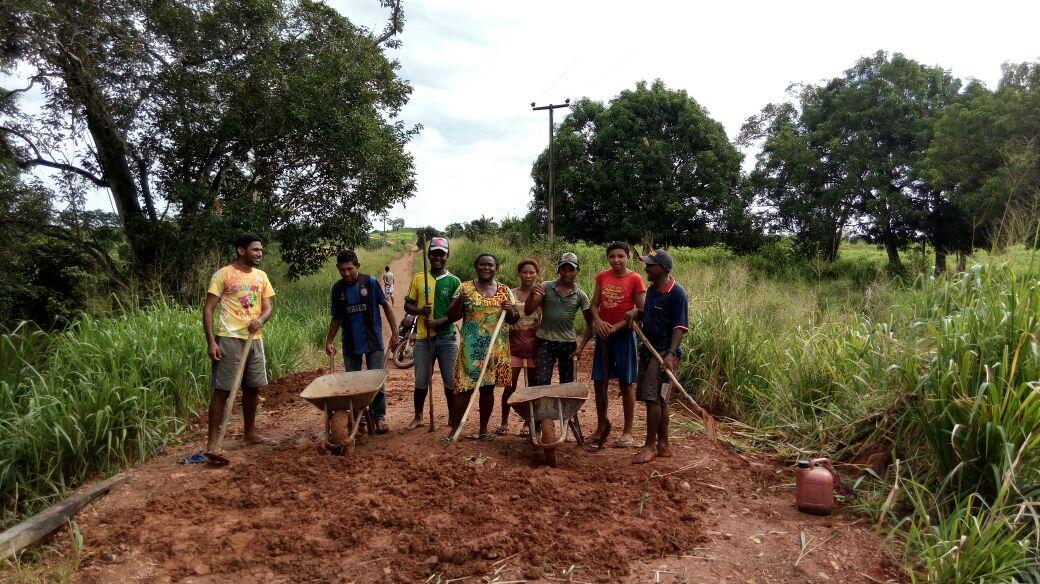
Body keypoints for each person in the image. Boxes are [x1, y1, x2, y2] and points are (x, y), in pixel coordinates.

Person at [203, 233, 276, 454]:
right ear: (241, 250)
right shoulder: (223, 275)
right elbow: (208, 309)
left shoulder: (261, 276)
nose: (259, 254)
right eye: (255, 250)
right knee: (222, 390)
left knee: (253, 387)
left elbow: (268, 307)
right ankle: (213, 442)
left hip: (254, 339)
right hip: (229, 338)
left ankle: (250, 432)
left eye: (261, 250)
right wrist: (211, 343)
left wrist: (261, 319)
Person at [444, 253, 519, 442]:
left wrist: (510, 310)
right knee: (463, 390)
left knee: (488, 390)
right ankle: (453, 432)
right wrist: (459, 302)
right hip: (471, 348)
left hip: (495, 348)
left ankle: (483, 430)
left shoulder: (504, 290)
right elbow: (451, 316)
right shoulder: (465, 288)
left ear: (496, 268)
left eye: (490, 265)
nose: (487, 268)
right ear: (476, 267)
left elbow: (514, 319)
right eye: (483, 265)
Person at [324, 249, 399, 434]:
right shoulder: (337, 289)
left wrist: (395, 332)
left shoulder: (370, 282)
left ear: (357, 266)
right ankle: (360, 419)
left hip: (373, 341)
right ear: (338, 269)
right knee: (353, 384)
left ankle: (379, 417)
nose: (346, 273)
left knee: (376, 382)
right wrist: (330, 340)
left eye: (350, 269)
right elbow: (336, 317)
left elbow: (386, 306)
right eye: (342, 270)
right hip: (350, 344)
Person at [625, 249, 688, 464]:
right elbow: (648, 314)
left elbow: (679, 328)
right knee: (660, 399)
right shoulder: (652, 290)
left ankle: (650, 446)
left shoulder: (677, 293)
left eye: (650, 265)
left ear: (662, 268)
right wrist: (636, 313)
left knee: (654, 398)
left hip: (664, 353)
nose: (646, 269)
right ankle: (663, 445)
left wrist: (670, 355)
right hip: (649, 349)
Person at [589, 241, 646, 448]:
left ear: (628, 257)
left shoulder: (636, 279)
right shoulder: (603, 277)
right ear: (608, 259)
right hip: (604, 335)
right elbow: (594, 305)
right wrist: (599, 321)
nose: (616, 260)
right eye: (612, 256)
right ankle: (601, 426)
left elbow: (640, 311)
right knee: (599, 382)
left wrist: (617, 326)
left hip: (624, 336)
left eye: (621, 256)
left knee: (626, 383)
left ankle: (627, 432)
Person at [403, 237, 462, 430]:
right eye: (434, 253)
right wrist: (420, 311)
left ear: (447, 256)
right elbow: (407, 304)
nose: (437, 257)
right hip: (422, 338)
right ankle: (419, 416)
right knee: (421, 380)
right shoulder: (419, 278)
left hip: (448, 338)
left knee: (450, 382)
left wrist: (438, 322)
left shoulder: (454, 281)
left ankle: (453, 418)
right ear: (428, 255)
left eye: (441, 254)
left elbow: (457, 313)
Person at [497, 258, 542, 435]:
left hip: (534, 347)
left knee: (531, 387)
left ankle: (527, 423)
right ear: (519, 274)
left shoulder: (540, 294)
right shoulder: (511, 294)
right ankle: (504, 421)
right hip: (513, 345)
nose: (528, 276)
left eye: (532, 272)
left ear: (537, 274)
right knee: (510, 386)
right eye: (525, 272)